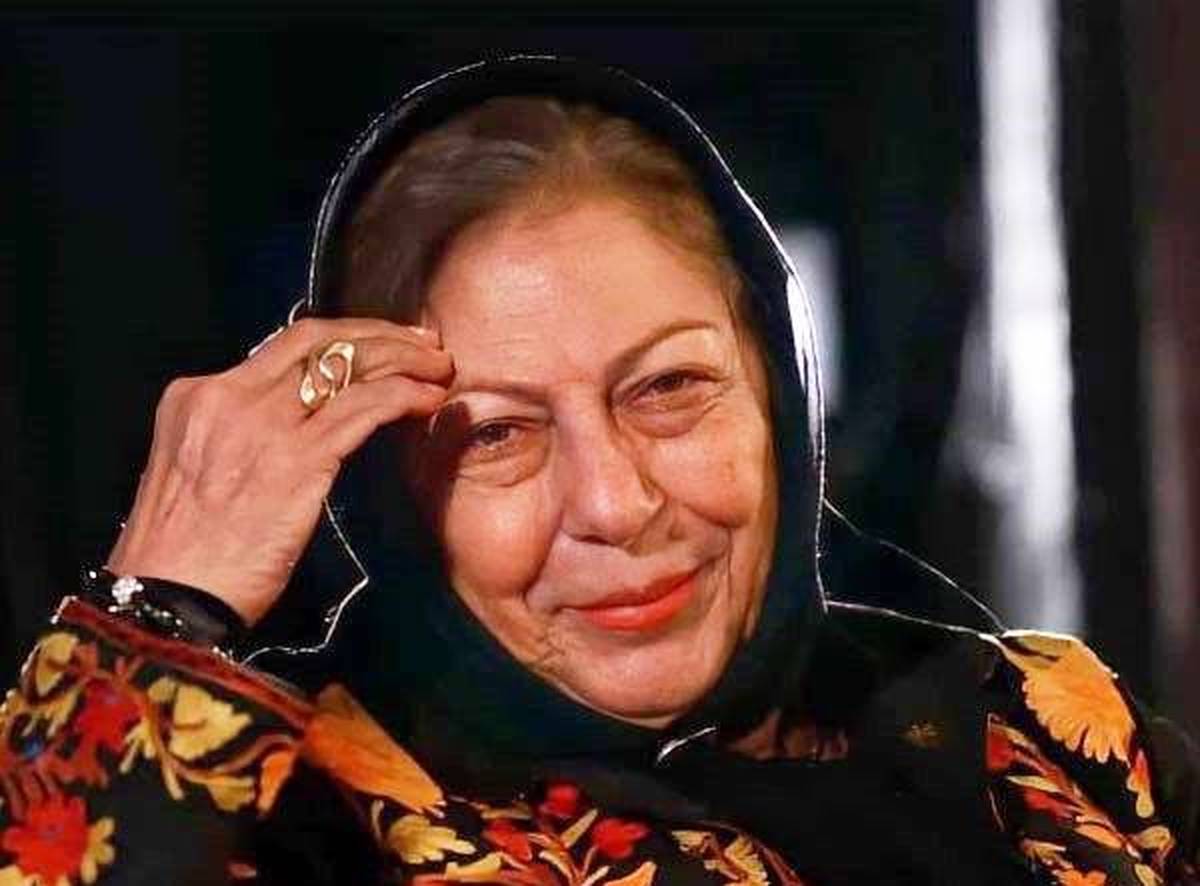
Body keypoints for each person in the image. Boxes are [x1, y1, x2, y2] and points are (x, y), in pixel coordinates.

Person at [0, 56, 1196, 886]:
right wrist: (156, 613)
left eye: (668, 387)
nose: (617, 505)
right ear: (386, 490)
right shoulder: (298, 820)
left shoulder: (1039, 727)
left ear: (777, 390)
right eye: (495, 436)